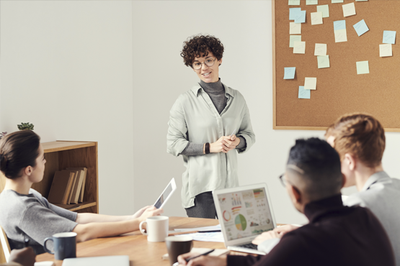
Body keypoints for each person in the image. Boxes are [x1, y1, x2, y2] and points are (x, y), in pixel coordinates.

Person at [177, 138, 395, 266]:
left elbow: (288, 256)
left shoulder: (303, 243)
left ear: (294, 192)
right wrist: (221, 261)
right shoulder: (365, 219)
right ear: (342, 181)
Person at [254, 113, 400, 266]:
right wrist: (300, 229)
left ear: (349, 161)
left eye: (332, 157)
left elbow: (317, 255)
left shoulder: (359, 208)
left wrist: (270, 243)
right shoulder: (396, 188)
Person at [0, 130, 163, 255]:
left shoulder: (25, 195)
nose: (45, 161)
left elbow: (77, 218)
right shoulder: (23, 209)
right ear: (29, 169)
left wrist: (132, 218)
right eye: (42, 158)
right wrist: (139, 223)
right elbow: (80, 233)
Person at [167, 35, 255, 218]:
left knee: (234, 242)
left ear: (219, 59)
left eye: (208, 60)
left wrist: (237, 141)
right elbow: (173, 144)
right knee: (204, 243)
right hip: (200, 190)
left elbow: (249, 135)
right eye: (197, 63)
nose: (204, 68)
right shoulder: (184, 102)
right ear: (192, 66)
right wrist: (209, 147)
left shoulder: (237, 98)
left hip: (230, 189)